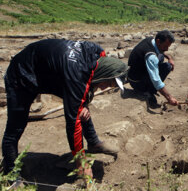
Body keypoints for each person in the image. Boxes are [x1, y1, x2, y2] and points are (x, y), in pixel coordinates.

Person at [2, 39, 128, 178]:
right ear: (105, 72)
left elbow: (85, 88)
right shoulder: (77, 73)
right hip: (22, 74)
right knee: (16, 126)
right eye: (108, 82)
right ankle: (11, 171)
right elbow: (73, 123)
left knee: (81, 106)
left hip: (50, 72)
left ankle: (93, 143)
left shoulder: (97, 54)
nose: (105, 88)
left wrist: (83, 104)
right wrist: (81, 162)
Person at [127, 30, 179, 107]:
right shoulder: (151, 56)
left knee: (160, 57)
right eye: (165, 46)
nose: (167, 49)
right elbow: (156, 80)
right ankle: (148, 92)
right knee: (167, 67)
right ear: (158, 41)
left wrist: (169, 57)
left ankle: (149, 88)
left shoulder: (151, 40)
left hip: (133, 73)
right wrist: (169, 97)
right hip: (137, 82)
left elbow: (160, 51)